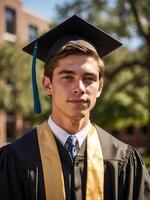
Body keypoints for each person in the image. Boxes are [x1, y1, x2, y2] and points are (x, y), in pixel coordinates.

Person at [0, 15, 150, 200]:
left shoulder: (124, 160)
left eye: (89, 78)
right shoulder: (14, 159)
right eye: (67, 77)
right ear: (47, 85)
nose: (79, 88)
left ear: (100, 87)